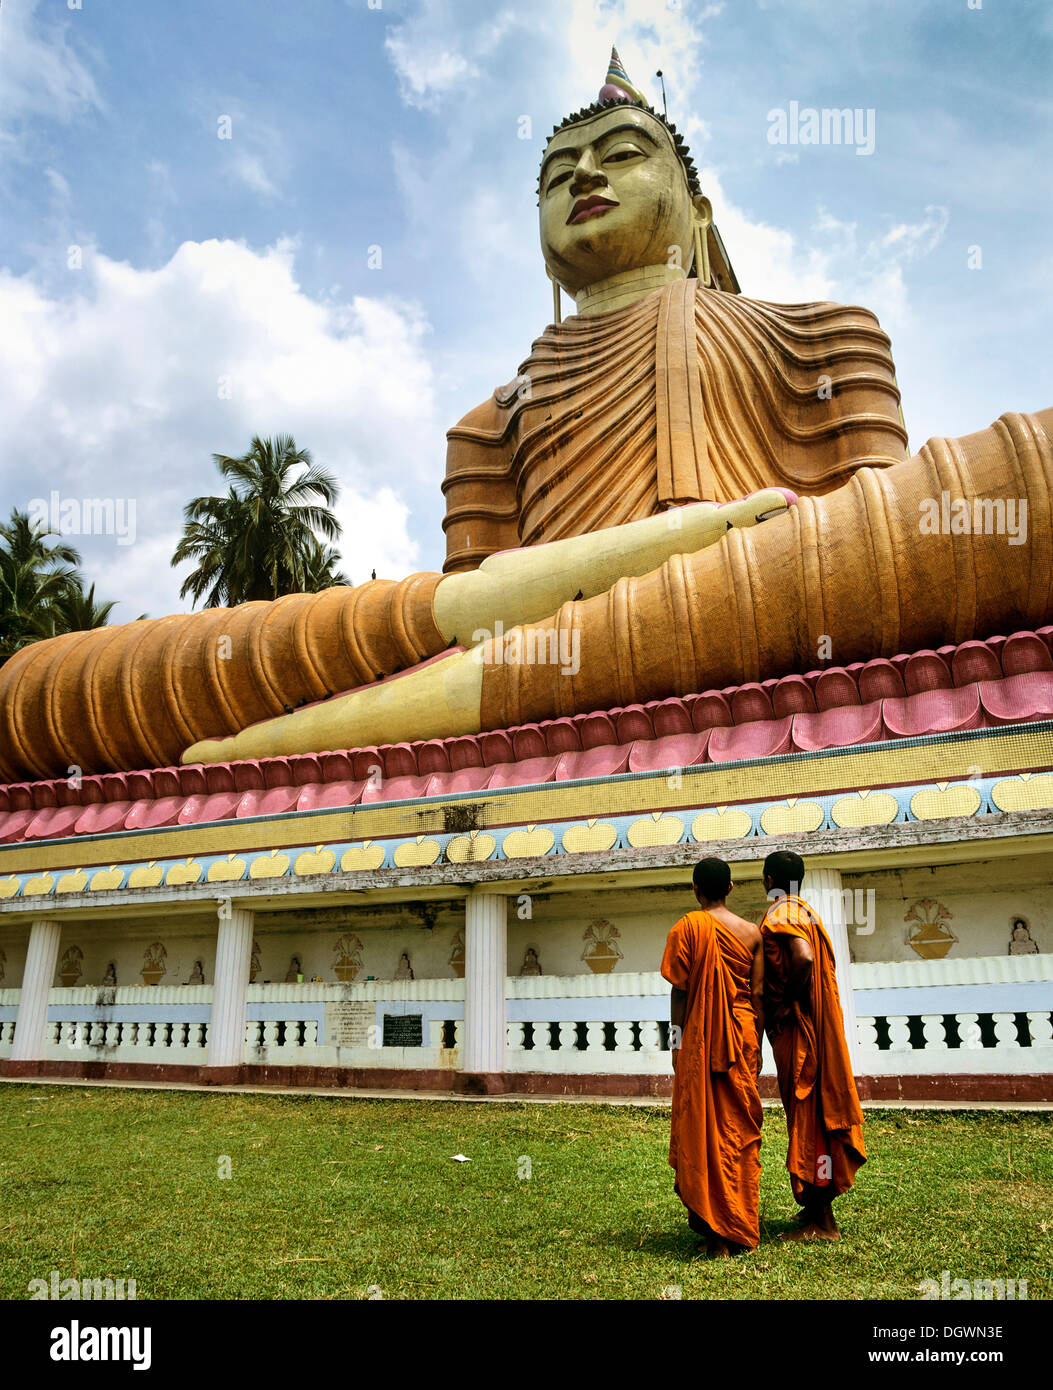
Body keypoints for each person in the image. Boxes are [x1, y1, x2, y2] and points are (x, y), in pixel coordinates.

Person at [760, 850, 865, 1240]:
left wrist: (786, 1000)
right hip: (817, 1030)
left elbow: (801, 959)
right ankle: (817, 1211)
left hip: (799, 1031)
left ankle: (822, 1220)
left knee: (808, 1120)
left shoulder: (781, 912)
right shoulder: (809, 913)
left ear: (768, 880)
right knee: (817, 1117)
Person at [661, 856, 763, 1257]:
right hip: (742, 1035)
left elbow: (680, 993)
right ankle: (737, 1222)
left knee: (703, 1126)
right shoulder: (753, 933)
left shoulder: (687, 927)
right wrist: (760, 1045)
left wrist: (676, 1042)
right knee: (737, 1130)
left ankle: (715, 1226)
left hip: (699, 1038)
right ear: (732, 888)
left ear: (695, 889)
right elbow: (756, 996)